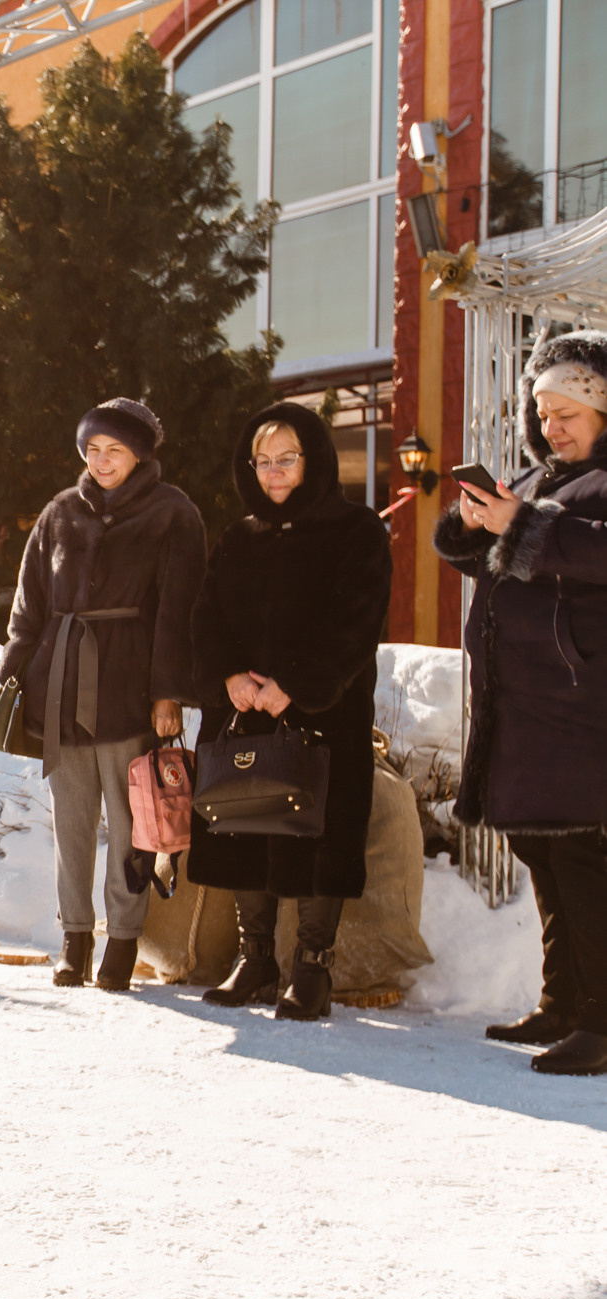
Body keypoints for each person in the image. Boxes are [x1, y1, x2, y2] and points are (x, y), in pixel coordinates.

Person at [435, 330, 607, 1075]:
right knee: (544, 853)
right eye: (543, 411)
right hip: (525, 712)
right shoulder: (538, 483)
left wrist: (523, 527)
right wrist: (474, 523)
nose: (551, 426)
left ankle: (601, 1024)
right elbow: (480, 555)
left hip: (582, 711)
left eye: (568, 411)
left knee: (583, 863)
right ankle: (562, 1001)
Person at [189, 403, 391, 1021]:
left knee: (318, 835)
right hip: (245, 712)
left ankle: (311, 966)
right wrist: (227, 677)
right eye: (263, 460)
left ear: (314, 460)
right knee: (245, 822)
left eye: (287, 458)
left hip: (324, 714)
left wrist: (296, 685)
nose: (274, 471)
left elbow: (358, 622)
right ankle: (256, 959)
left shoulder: (356, 530)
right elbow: (207, 617)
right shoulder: (238, 536)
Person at [0, 398, 207, 991]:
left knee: (132, 820)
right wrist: (17, 668)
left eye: (114, 449)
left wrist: (168, 692)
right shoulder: (61, 511)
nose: (101, 460)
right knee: (71, 822)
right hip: (60, 683)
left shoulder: (173, 514)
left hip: (129, 687)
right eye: (92, 449)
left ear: (140, 453)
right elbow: (29, 599)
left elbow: (180, 611)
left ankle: (122, 941)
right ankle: (74, 938)